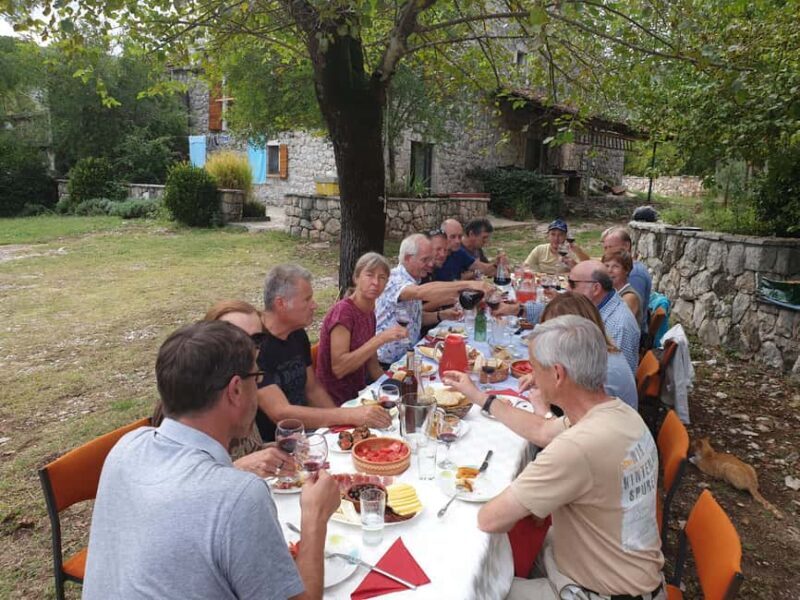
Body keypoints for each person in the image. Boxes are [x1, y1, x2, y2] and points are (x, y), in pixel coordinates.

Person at [83, 321, 341, 599]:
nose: (259, 388)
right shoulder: (239, 496)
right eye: (257, 378)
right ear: (235, 390)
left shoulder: (126, 447)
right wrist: (315, 517)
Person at [450, 316, 665, 600]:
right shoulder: (617, 413)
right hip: (628, 576)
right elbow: (541, 429)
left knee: (465, 586)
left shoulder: (578, 447)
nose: (532, 377)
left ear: (558, 374)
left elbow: (491, 519)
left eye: (535, 368)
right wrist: (481, 398)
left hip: (596, 592)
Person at [150, 300, 289, 478]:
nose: (248, 347)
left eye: (257, 339)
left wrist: (270, 452)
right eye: (236, 337)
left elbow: (250, 450)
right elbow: (178, 482)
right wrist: (238, 468)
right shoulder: (191, 402)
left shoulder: (248, 381)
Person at [256, 264, 391, 442]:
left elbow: (313, 389)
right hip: (275, 445)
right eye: (307, 299)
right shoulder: (256, 346)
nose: (314, 305)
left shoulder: (296, 333)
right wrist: (347, 416)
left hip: (309, 432)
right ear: (280, 303)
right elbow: (281, 413)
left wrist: (340, 429)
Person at [375, 233, 493, 366]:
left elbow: (414, 319)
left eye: (431, 259)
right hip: (387, 364)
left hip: (410, 358)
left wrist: (441, 315)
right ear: (408, 258)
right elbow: (421, 292)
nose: (431, 264)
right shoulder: (394, 280)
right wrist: (469, 284)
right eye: (425, 260)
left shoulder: (413, 280)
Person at [316, 252, 406, 405]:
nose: (375, 282)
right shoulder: (343, 312)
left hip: (359, 393)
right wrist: (381, 338)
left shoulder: (369, 311)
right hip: (335, 401)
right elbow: (339, 368)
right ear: (356, 278)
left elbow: (372, 364)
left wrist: (393, 387)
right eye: (369, 275)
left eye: (382, 277)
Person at [568, 260, 641, 374]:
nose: (567, 289)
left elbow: (613, 376)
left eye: (572, 284)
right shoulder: (597, 307)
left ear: (596, 288)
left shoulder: (618, 325)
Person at [603, 249, 644, 326]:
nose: (609, 270)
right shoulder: (610, 291)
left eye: (615, 266)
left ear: (626, 270)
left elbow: (616, 327)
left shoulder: (629, 297)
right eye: (606, 266)